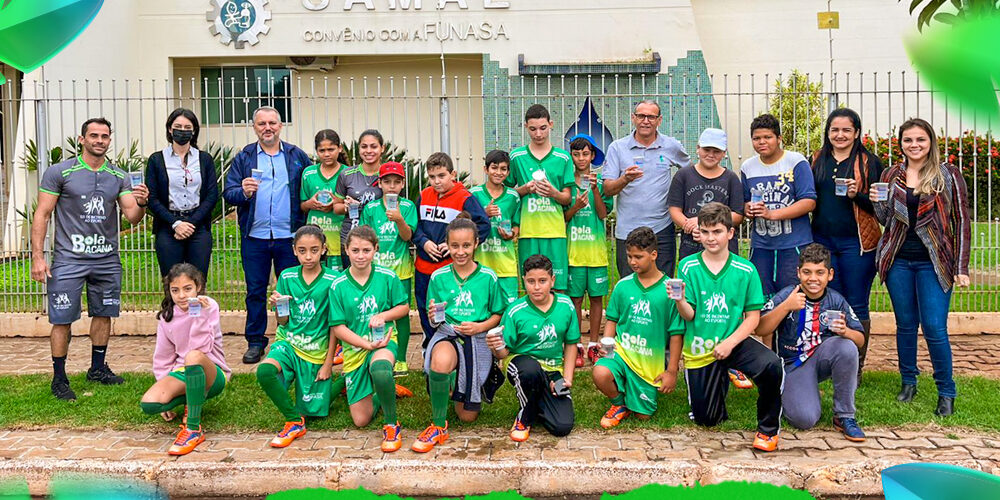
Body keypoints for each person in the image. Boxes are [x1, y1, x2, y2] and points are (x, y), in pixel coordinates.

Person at [30, 117, 150, 400]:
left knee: (104, 313)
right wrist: (38, 257)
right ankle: (59, 378)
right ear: (82, 139)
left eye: (104, 136)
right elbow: (43, 214)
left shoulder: (118, 175)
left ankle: (97, 368)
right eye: (93, 136)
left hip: (106, 259)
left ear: (110, 140)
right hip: (69, 260)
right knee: (61, 319)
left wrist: (142, 201)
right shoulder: (60, 172)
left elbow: (132, 217)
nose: (99, 140)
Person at [871, 118, 970, 417]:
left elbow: (962, 221)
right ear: (901, 143)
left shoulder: (948, 175)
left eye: (920, 140)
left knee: (935, 328)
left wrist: (961, 265)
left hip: (935, 261)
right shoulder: (891, 175)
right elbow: (885, 218)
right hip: (899, 259)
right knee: (905, 325)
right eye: (908, 140)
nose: (914, 145)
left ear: (931, 142)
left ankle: (946, 391)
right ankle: (908, 382)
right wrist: (877, 201)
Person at [674, 203, 783, 452]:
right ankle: (719, 379)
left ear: (730, 233)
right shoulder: (688, 266)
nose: (711, 238)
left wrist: (730, 343)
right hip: (702, 348)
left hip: (733, 341)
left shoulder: (746, 270)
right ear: (698, 233)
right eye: (705, 232)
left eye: (717, 231)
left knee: (772, 365)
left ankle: (767, 431)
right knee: (707, 420)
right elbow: (689, 316)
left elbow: (753, 319)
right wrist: (680, 300)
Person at [222, 106, 312, 364]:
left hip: (290, 236)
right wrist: (245, 191)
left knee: (293, 289)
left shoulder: (296, 156)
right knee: (255, 290)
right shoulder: (245, 157)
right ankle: (255, 341)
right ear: (254, 128)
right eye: (261, 123)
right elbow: (229, 193)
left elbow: (310, 186)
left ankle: (294, 338)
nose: (267, 127)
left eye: (272, 122)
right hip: (255, 236)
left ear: (280, 126)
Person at [412, 215, 508, 453]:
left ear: (476, 243)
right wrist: (434, 317)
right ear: (447, 245)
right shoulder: (439, 276)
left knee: (467, 417)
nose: (460, 251)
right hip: (450, 334)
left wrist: (479, 327)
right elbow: (434, 318)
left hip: (476, 339)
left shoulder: (488, 277)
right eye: (454, 246)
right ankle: (437, 424)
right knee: (441, 361)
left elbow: (498, 314)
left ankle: (456, 382)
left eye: (466, 245)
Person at [668, 128, 752, 390]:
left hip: (725, 251)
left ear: (724, 154)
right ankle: (690, 355)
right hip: (692, 247)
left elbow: (739, 213)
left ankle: (733, 360)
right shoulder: (683, 175)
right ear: (698, 148)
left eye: (716, 151)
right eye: (707, 149)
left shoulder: (731, 179)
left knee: (728, 304)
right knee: (691, 303)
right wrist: (688, 225)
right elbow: (674, 208)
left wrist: (714, 225)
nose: (711, 154)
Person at [757, 244, 866, 441]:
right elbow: (760, 328)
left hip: (821, 358)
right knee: (804, 419)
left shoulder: (836, 300)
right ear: (799, 273)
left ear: (829, 275)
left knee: (846, 346)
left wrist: (846, 331)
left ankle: (844, 416)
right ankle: (791, 392)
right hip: (792, 364)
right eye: (807, 272)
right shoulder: (788, 294)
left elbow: (860, 340)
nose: (813, 278)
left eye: (819, 273)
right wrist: (786, 307)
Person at [809, 108, 883, 381]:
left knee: (857, 304)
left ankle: (856, 368)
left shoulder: (869, 162)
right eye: (834, 130)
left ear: (856, 133)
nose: (839, 135)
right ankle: (833, 364)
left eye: (846, 130)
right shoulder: (817, 159)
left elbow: (881, 207)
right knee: (830, 302)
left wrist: (858, 194)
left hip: (857, 244)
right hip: (823, 241)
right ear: (828, 132)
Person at [329, 226, 411, 452]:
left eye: (366, 250)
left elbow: (403, 307)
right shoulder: (338, 285)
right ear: (346, 250)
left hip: (383, 342)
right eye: (355, 250)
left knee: (381, 368)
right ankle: (384, 391)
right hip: (356, 349)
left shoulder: (387, 277)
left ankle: (391, 424)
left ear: (376, 249)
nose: (360, 255)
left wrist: (383, 316)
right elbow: (337, 327)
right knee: (361, 420)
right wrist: (365, 344)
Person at [592, 227, 684, 429]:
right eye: (629, 256)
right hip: (623, 353)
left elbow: (676, 333)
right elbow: (612, 321)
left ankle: (632, 392)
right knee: (600, 373)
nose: (632, 262)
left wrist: (671, 371)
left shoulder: (669, 290)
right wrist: (606, 349)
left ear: (654, 255)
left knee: (643, 416)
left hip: (649, 361)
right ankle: (618, 403)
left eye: (638, 257)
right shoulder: (623, 286)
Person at [256, 225, 338, 448]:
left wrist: (329, 362)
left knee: (313, 409)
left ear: (323, 249)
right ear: (294, 251)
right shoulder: (287, 276)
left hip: (316, 350)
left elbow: (335, 326)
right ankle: (294, 422)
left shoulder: (334, 280)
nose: (308, 256)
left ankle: (349, 384)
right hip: (289, 342)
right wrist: (277, 307)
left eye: (314, 250)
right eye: (302, 250)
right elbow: (283, 322)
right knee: (265, 371)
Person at [140, 263, 230, 456]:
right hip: (183, 371)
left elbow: (203, 348)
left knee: (193, 356)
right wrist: (166, 389)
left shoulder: (209, 306)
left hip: (211, 371)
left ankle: (193, 429)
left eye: (187, 289)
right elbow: (163, 357)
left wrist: (199, 314)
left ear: (198, 287)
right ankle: (192, 398)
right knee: (150, 403)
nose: (182, 295)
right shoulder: (166, 316)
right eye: (175, 290)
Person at [486, 255, 578, 442]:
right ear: (524, 281)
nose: (536, 287)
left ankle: (537, 400)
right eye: (531, 281)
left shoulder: (566, 305)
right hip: (522, 364)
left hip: (553, 370)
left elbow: (570, 344)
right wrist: (496, 348)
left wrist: (567, 378)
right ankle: (524, 418)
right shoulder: (515, 311)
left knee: (562, 426)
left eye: (542, 281)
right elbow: (504, 354)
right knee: (530, 370)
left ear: (552, 280)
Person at [603, 100, 693, 278]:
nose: (646, 121)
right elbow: (607, 189)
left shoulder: (671, 145)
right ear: (633, 118)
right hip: (627, 230)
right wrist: (625, 179)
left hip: (662, 229)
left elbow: (691, 173)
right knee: (630, 285)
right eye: (641, 116)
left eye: (651, 117)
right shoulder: (617, 148)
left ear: (659, 120)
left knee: (662, 285)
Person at [413, 152, 490, 345]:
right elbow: (413, 225)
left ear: (453, 174)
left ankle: (451, 347)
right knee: (425, 308)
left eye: (442, 176)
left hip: (449, 269)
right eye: (432, 177)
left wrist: (453, 244)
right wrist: (423, 241)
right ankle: (431, 347)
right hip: (423, 267)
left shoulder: (465, 198)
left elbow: (483, 225)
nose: (437, 181)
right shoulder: (423, 195)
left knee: (448, 309)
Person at [740, 113, 817, 299]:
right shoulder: (748, 167)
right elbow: (743, 203)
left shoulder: (795, 161)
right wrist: (747, 210)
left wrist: (772, 214)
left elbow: (809, 201)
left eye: (768, 137)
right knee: (761, 298)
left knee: (795, 296)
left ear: (779, 138)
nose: (762, 142)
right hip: (762, 245)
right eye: (756, 138)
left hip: (794, 244)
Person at [506, 104, 574, 291]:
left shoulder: (563, 158)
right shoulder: (516, 156)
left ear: (551, 125)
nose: (538, 134)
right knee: (531, 285)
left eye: (543, 128)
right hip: (528, 231)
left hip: (555, 232)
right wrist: (525, 189)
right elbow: (507, 193)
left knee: (557, 286)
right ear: (526, 126)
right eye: (533, 129)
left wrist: (553, 193)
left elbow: (567, 198)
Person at [145, 108, 218, 278]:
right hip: (168, 225)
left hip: (198, 227)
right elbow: (153, 198)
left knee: (198, 281)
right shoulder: (156, 160)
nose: (182, 131)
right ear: (170, 129)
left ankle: (198, 306)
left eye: (187, 127)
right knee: (171, 280)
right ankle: (170, 306)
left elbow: (212, 195)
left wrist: (191, 223)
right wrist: (176, 223)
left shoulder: (204, 159)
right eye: (178, 126)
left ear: (193, 131)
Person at [359, 162, 418, 374]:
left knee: (400, 314)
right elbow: (364, 239)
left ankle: (401, 357)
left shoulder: (409, 207)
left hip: (400, 271)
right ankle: (376, 350)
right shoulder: (371, 208)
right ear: (380, 184)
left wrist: (400, 219)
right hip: (376, 273)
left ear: (402, 184)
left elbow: (407, 236)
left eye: (396, 182)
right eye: (387, 182)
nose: (391, 186)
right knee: (377, 313)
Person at [563, 135, 613, 366]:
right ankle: (575, 346)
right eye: (576, 153)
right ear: (571, 155)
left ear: (592, 155)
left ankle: (593, 344)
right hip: (573, 253)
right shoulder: (566, 182)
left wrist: (594, 191)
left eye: (585, 153)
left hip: (595, 254)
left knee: (595, 299)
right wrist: (576, 206)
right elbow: (563, 217)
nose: (581, 158)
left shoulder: (601, 183)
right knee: (574, 300)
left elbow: (603, 214)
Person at [468, 150, 521, 302]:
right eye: (494, 167)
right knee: (482, 305)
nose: (498, 172)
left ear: (508, 171)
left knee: (508, 308)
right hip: (481, 262)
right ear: (486, 169)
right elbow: (464, 224)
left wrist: (512, 234)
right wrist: (484, 214)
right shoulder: (474, 194)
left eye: (503, 169)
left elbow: (516, 224)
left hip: (506, 264)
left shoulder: (513, 196)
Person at [333, 129, 386, 270]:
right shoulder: (346, 174)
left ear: (382, 148)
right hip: (351, 237)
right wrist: (346, 206)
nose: (368, 151)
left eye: (373, 146)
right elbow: (336, 207)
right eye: (364, 146)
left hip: (380, 236)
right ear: (359, 148)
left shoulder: (388, 175)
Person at [300, 129, 349, 272]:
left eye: (331, 149)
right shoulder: (308, 173)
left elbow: (353, 206)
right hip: (314, 238)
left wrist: (336, 204)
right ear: (316, 151)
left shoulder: (348, 173)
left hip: (339, 237)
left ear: (339, 148)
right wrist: (310, 204)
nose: (327, 154)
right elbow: (302, 205)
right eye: (322, 150)